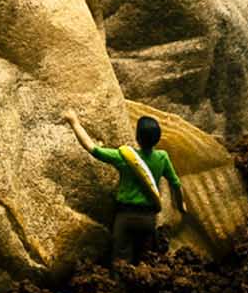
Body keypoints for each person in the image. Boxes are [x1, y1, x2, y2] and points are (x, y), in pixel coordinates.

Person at [67, 110, 187, 267]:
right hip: (148, 218)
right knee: (146, 259)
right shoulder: (162, 158)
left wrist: (74, 123)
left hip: (125, 216)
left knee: (121, 259)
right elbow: (176, 184)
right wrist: (181, 205)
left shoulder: (124, 157)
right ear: (158, 138)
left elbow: (92, 148)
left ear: (137, 137)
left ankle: (119, 286)